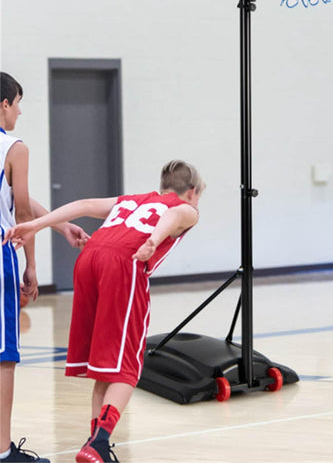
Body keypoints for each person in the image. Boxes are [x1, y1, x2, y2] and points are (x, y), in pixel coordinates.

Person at [5, 160, 204, 463]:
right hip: (124, 264)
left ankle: (93, 444)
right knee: (128, 366)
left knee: (105, 365)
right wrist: (153, 239)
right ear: (192, 191)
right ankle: (99, 443)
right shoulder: (187, 208)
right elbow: (174, 214)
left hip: (89, 258)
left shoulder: (132, 200)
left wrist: (36, 224)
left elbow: (84, 204)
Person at [1, 72, 88, 463]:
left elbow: (16, 198)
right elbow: (20, 213)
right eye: (18, 102)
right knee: (5, 357)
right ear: (4, 104)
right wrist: (31, 265)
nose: (19, 111)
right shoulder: (14, 147)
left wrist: (58, 222)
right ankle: (2, 452)